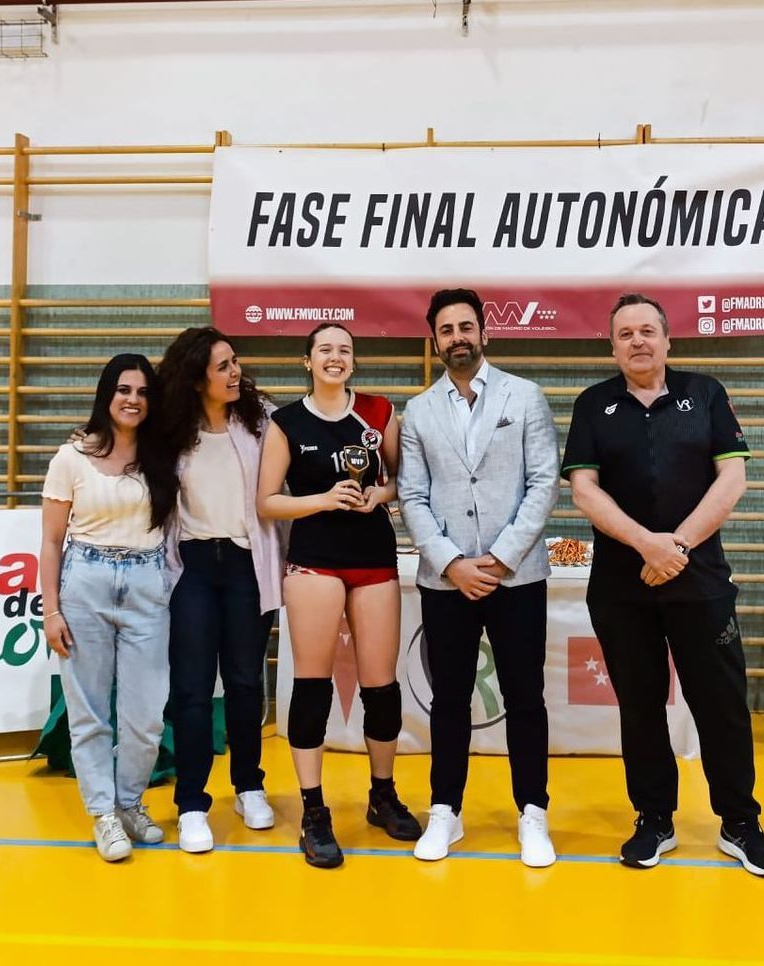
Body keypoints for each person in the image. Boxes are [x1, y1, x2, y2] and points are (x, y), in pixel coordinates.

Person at [561, 293, 764, 878]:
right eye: (625, 334)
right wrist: (648, 545)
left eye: (647, 331)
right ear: (612, 347)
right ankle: (654, 819)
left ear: (667, 340)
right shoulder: (592, 404)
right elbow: (584, 489)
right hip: (623, 587)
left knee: (722, 707)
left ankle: (740, 823)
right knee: (640, 708)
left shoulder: (705, 393)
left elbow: (732, 478)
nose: (637, 341)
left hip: (701, 582)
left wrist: (677, 547)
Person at [397, 289, 559, 867]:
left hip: (517, 576)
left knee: (525, 697)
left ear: (484, 333)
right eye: (446, 330)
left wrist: (502, 557)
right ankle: (445, 810)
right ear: (435, 340)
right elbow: (412, 495)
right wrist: (451, 562)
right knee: (448, 699)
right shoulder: (418, 411)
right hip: (447, 581)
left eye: (466, 327)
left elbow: (544, 482)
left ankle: (533, 812)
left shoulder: (525, 395)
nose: (458, 337)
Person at [257, 322, 423, 868]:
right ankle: (313, 810)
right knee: (312, 684)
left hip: (373, 557)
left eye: (345, 350)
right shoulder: (285, 422)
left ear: (354, 360)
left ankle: (382, 794)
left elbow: (402, 480)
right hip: (315, 561)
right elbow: (267, 502)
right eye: (325, 349)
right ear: (307, 361)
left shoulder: (378, 411)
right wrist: (324, 499)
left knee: (381, 686)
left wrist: (379, 494)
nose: (336, 357)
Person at [39, 352, 180, 863]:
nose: (133, 400)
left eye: (142, 392)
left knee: (145, 716)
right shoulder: (71, 457)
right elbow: (51, 541)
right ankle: (104, 815)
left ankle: (130, 803)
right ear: (107, 394)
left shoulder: (163, 457)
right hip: (85, 584)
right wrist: (51, 611)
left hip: (147, 586)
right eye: (124, 390)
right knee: (90, 713)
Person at [153, 326, 285, 853]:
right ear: (195, 378)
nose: (235, 372)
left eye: (235, 362)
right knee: (191, 688)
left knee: (246, 681)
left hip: (247, 563)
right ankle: (191, 802)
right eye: (223, 366)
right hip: (193, 566)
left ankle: (249, 785)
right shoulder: (169, 431)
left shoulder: (261, 420)